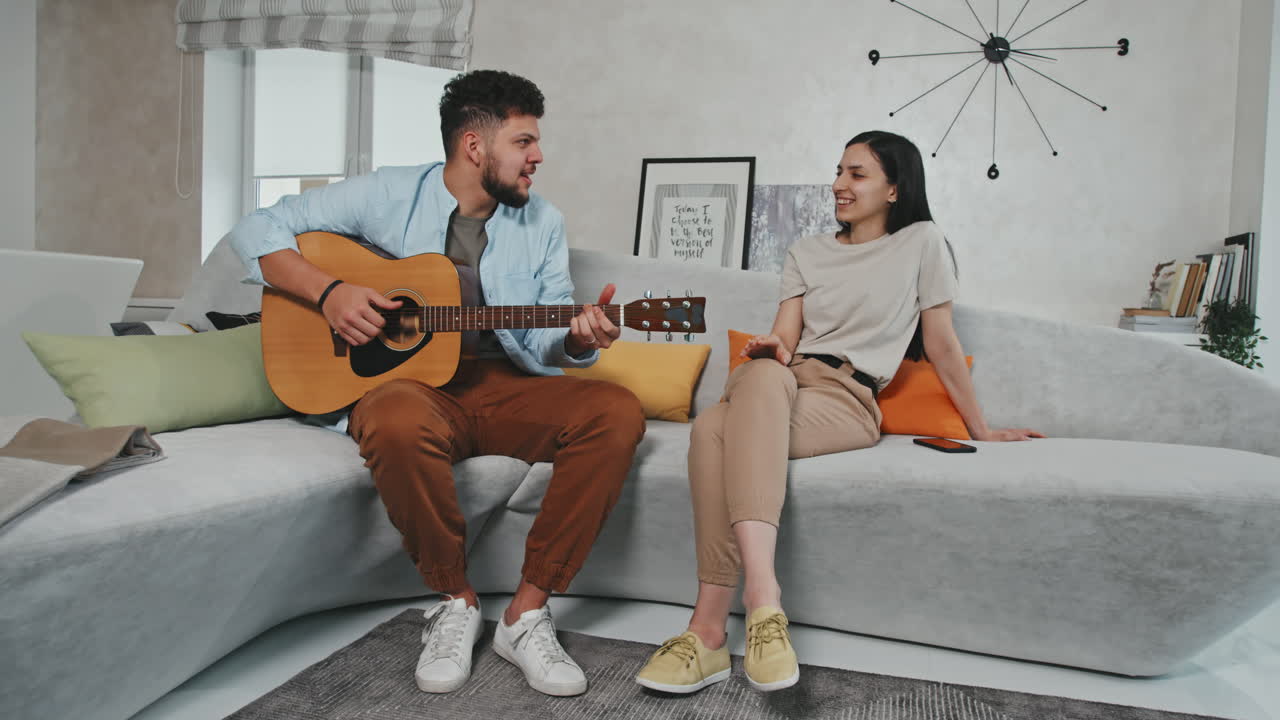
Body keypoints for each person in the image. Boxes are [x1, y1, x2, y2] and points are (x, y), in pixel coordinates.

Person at [228, 69, 646, 698]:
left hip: (502, 383)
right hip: (414, 392)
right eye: (524, 142)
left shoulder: (543, 224)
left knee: (615, 410)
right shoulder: (386, 195)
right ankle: (455, 600)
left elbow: (543, 334)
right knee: (392, 417)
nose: (538, 157)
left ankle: (525, 615)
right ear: (475, 147)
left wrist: (578, 338)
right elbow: (256, 229)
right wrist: (331, 291)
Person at [634, 130, 1043, 695]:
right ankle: (758, 611)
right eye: (838, 172)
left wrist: (982, 430)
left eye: (856, 174)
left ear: (895, 188)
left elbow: (942, 342)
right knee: (758, 374)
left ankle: (713, 628)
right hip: (782, 380)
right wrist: (772, 347)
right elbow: (785, 335)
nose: (838, 186)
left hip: (846, 398)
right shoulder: (807, 252)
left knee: (711, 428)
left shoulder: (922, 242)